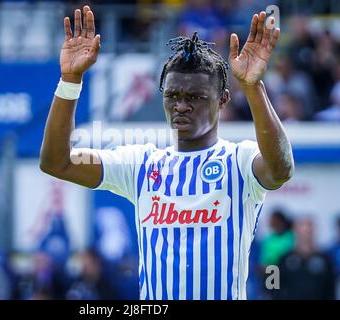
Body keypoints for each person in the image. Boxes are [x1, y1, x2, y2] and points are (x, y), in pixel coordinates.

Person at [39, 5, 294, 300]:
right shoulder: (141, 164)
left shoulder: (239, 160)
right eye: (172, 95)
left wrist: (252, 88)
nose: (181, 105)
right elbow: (56, 162)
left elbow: (281, 169)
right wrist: (70, 80)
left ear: (222, 100)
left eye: (195, 97)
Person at [274, 217, 335, 300]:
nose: (306, 231)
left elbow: (331, 290)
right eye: (302, 227)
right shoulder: (284, 259)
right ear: (295, 230)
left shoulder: (325, 260)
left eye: (309, 227)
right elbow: (273, 287)